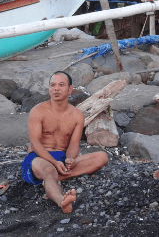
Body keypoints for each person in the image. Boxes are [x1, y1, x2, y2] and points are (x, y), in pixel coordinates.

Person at [21, 71, 109, 213]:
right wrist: (54, 163)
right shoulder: (38, 111)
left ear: (70, 89)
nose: (56, 88)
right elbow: (35, 143)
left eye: (61, 85)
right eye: (52, 85)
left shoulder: (77, 116)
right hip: (38, 158)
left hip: (61, 160)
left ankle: (51, 180)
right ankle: (61, 200)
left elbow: (74, 144)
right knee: (49, 170)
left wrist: (70, 159)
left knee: (102, 157)